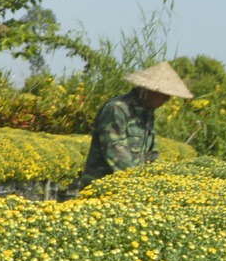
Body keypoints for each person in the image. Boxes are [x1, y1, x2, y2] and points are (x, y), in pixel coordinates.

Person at [69, 61, 193, 192]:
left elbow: (151, 153)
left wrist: (162, 179)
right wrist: (139, 183)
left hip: (130, 186)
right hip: (102, 188)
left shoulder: (147, 112)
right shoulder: (117, 109)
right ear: (148, 90)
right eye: (164, 94)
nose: (167, 99)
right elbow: (115, 152)